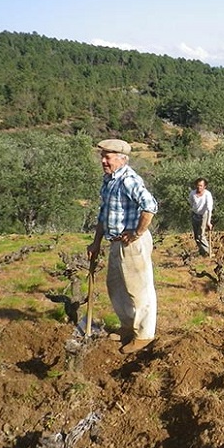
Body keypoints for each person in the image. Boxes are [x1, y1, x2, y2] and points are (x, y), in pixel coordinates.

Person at [87, 139, 159, 354]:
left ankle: (144, 335)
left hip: (131, 243)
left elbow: (150, 206)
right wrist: (96, 242)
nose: (103, 160)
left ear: (121, 158)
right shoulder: (109, 180)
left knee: (139, 290)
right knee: (117, 287)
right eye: (102, 156)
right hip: (115, 242)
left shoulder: (129, 179)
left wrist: (137, 233)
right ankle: (128, 327)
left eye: (107, 157)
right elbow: (103, 214)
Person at [188, 177, 213, 256]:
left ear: (204, 186)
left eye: (201, 186)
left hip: (204, 215)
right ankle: (202, 252)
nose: (199, 187)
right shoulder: (192, 193)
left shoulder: (207, 195)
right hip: (195, 214)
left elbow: (209, 209)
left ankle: (209, 252)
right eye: (198, 185)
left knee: (201, 235)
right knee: (196, 237)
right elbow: (191, 203)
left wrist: (208, 222)